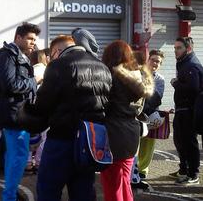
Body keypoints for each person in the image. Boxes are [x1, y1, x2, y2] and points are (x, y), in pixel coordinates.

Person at [34, 35, 112, 201]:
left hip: (61, 140)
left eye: (52, 54)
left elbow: (43, 105)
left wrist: (31, 125)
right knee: (83, 191)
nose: (51, 58)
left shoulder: (57, 65)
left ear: (58, 51)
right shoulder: (102, 67)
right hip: (90, 141)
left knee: (48, 190)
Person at [0, 22, 41, 201]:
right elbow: (10, 85)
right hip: (13, 114)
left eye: (35, 39)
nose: (33, 42)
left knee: (14, 154)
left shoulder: (19, 55)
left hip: (18, 112)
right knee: (18, 155)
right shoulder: (8, 55)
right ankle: (9, 196)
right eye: (29, 38)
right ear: (18, 37)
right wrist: (35, 80)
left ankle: (10, 193)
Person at [101, 40, 154, 201]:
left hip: (113, 132)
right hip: (132, 131)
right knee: (124, 179)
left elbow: (103, 104)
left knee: (112, 182)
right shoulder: (138, 78)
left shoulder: (111, 76)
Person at [169, 36, 203, 185]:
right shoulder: (183, 63)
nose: (175, 51)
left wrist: (176, 83)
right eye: (175, 48)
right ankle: (183, 169)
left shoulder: (191, 65)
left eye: (179, 48)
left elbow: (193, 89)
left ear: (188, 49)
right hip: (181, 110)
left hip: (189, 111)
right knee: (180, 141)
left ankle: (193, 174)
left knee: (189, 142)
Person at [133, 49, 165, 190]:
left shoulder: (160, 79)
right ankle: (134, 169)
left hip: (151, 114)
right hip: (138, 113)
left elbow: (157, 97)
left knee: (149, 143)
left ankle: (143, 170)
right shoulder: (138, 73)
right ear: (147, 60)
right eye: (153, 60)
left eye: (158, 61)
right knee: (135, 143)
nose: (155, 63)